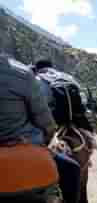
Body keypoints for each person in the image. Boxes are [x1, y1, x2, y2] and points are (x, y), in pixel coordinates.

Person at [0, 56, 60, 199]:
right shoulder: (23, 74)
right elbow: (47, 124)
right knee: (72, 169)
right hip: (28, 153)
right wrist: (44, 142)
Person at [32, 59, 87, 203]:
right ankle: (88, 154)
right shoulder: (67, 76)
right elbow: (84, 100)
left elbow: (37, 107)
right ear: (51, 67)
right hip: (75, 120)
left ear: (37, 69)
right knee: (87, 137)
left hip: (54, 121)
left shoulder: (37, 79)